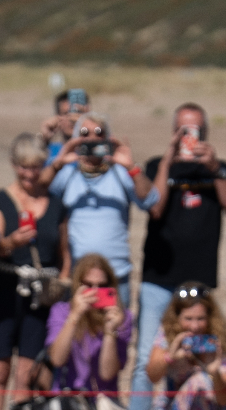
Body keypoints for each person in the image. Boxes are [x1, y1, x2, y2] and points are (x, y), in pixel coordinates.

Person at [133, 103, 226, 410]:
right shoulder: (155, 166)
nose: (189, 139)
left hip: (199, 282)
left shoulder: (218, 168)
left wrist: (215, 169)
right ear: (174, 132)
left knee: (203, 359)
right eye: (183, 131)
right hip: (159, 277)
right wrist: (167, 160)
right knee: (150, 356)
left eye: (196, 132)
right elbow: (155, 204)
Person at [0, 133, 68, 410]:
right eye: (22, 167)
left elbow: (65, 252)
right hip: (4, 286)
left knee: (27, 372)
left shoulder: (57, 203)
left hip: (41, 293)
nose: (29, 175)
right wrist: (11, 241)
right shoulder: (0, 200)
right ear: (13, 165)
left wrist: (63, 282)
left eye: (35, 167)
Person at [45, 112, 157, 307]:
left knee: (116, 333)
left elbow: (150, 201)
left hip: (116, 273)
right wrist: (59, 161)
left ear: (107, 138)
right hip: (77, 275)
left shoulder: (120, 172)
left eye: (99, 133)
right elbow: (39, 194)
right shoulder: (68, 173)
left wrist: (131, 167)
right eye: (84, 133)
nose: (92, 139)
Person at [32, 254, 130, 410]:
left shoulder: (122, 318)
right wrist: (75, 315)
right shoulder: (61, 312)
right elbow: (56, 358)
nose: (95, 292)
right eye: (88, 285)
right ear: (77, 286)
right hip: (66, 407)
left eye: (102, 286)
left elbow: (107, 373)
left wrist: (110, 331)